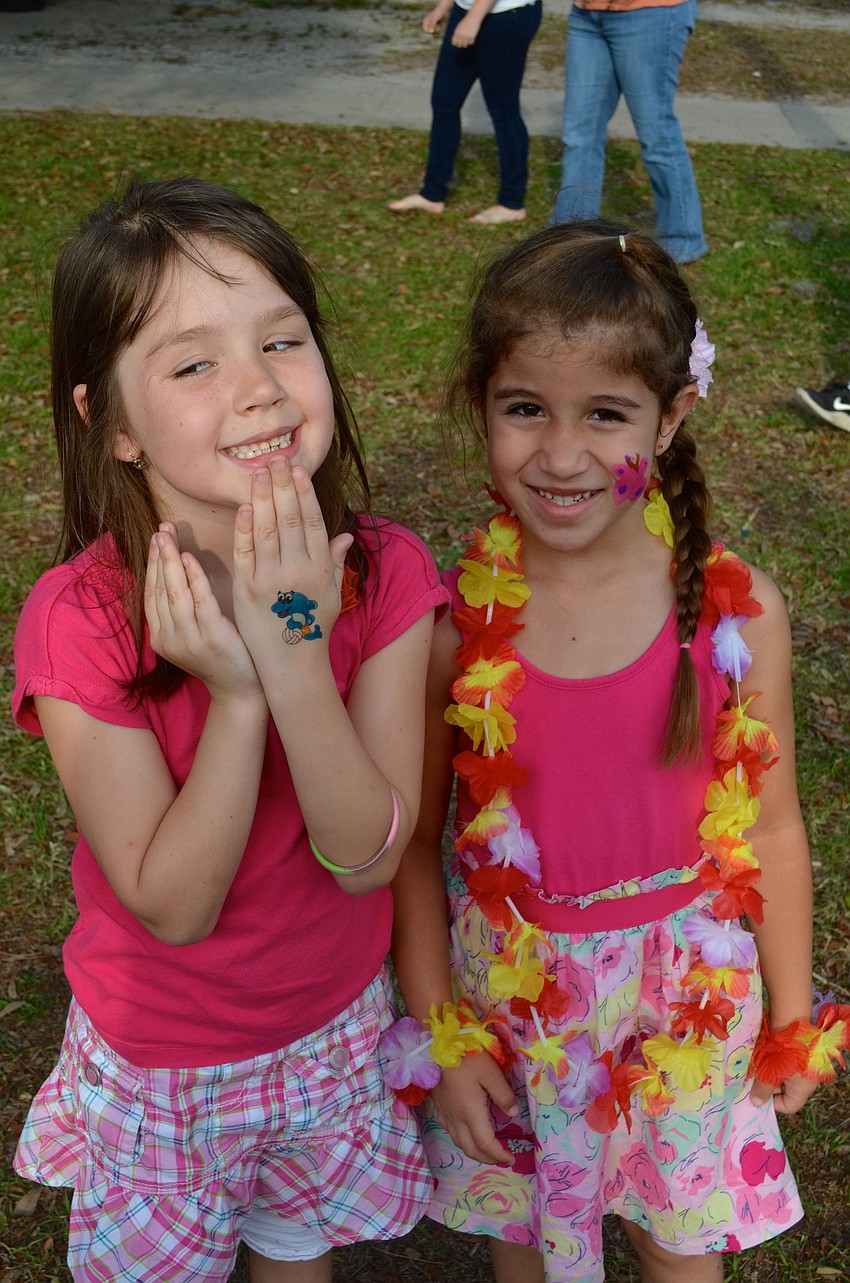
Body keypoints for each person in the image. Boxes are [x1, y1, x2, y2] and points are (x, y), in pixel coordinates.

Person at [389, 221, 847, 1282]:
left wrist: (786, 1013)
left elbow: (773, 827)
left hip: (682, 990)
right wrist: (442, 1039)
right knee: (534, 1248)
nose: (560, 453)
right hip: (515, 998)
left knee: (676, 1243)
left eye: (606, 414)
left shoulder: (733, 616)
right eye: (524, 409)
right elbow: (415, 844)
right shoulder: (455, 628)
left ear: (672, 413)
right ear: (481, 407)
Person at [11, 177, 450, 1283]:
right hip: (165, 1063)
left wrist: (293, 655)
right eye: (193, 362)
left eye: (281, 340)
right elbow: (172, 899)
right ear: (107, 423)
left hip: (333, 1035)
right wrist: (240, 699)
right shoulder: (79, 619)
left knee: (295, 1256)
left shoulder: (387, 571)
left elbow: (365, 859)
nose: (257, 389)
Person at [552, 1, 707, 265]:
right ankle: (573, 234)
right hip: (586, 13)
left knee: (656, 135)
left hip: (651, 14)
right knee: (579, 135)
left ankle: (683, 240)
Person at [388, 0, 542, 225]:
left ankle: (511, 203)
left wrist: (473, 19)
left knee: (503, 110)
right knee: (444, 102)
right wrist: (443, 8)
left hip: (507, 14)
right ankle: (432, 194)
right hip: (466, 11)